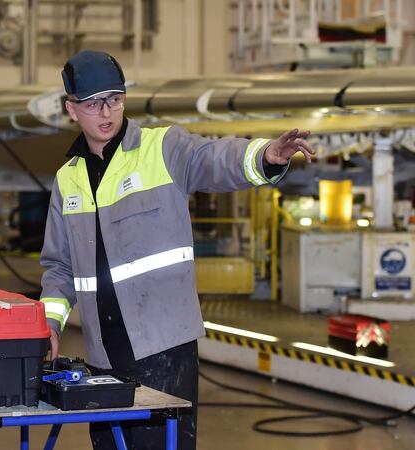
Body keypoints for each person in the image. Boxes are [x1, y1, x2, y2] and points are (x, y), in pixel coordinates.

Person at [39, 50, 316, 450]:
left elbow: (213, 159)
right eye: (93, 103)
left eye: (114, 99)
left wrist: (264, 156)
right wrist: (50, 324)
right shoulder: (68, 180)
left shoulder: (163, 148)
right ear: (71, 108)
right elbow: (59, 267)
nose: (106, 111)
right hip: (102, 354)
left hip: (164, 347)